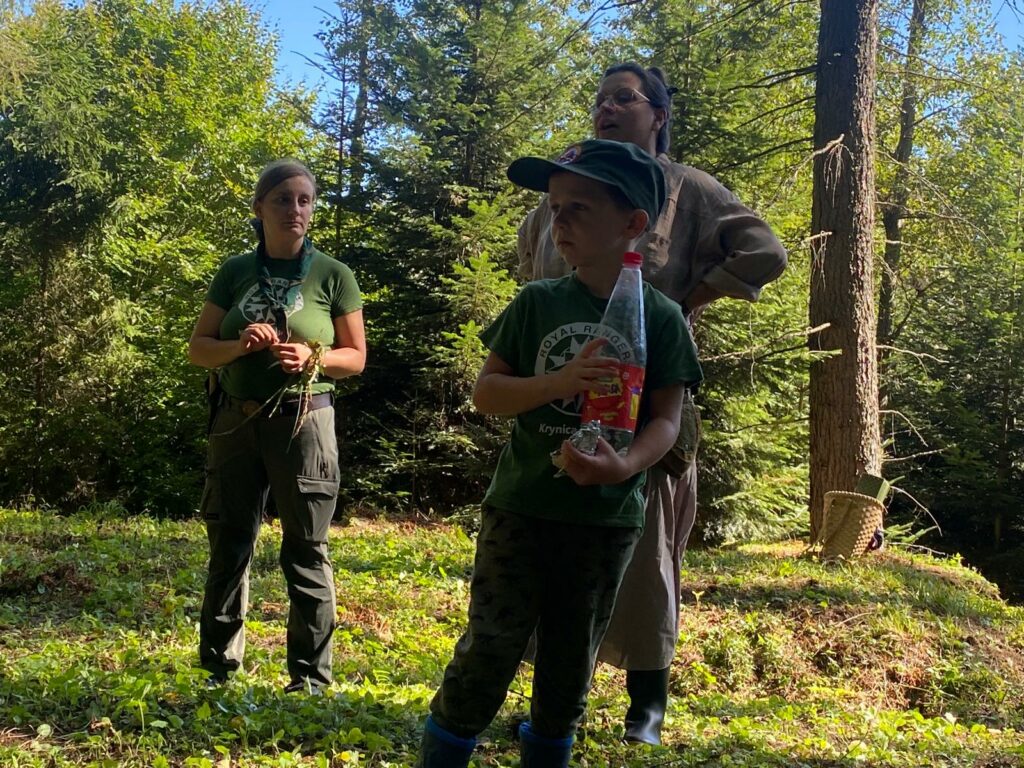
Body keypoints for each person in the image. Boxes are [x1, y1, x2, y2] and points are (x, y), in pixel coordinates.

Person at [518, 63, 788, 744]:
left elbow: (765, 251)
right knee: (549, 546)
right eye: (600, 99)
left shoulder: (685, 190)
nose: (607, 108)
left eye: (625, 99)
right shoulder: (561, 197)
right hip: (558, 402)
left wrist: (689, 298)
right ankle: (556, 698)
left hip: (650, 407)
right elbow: (531, 284)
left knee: (646, 552)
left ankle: (648, 702)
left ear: (659, 116)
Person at [417, 139, 702, 768]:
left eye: (578, 209)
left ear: (633, 225)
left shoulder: (661, 317)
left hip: (604, 521)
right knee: (489, 647)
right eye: (554, 208)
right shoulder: (537, 302)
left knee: (571, 663)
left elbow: (666, 421)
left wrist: (625, 466)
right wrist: (561, 382)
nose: (558, 222)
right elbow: (487, 394)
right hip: (521, 508)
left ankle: (547, 751)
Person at [188, 159, 366, 694]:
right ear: (259, 208)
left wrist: (315, 359)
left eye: (305, 200)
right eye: (284, 199)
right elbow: (199, 350)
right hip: (235, 422)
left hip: (306, 425)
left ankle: (310, 679)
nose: (296, 210)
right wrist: (239, 344)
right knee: (230, 542)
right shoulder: (235, 270)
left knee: (306, 547)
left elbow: (355, 357)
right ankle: (218, 668)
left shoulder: (333, 274)